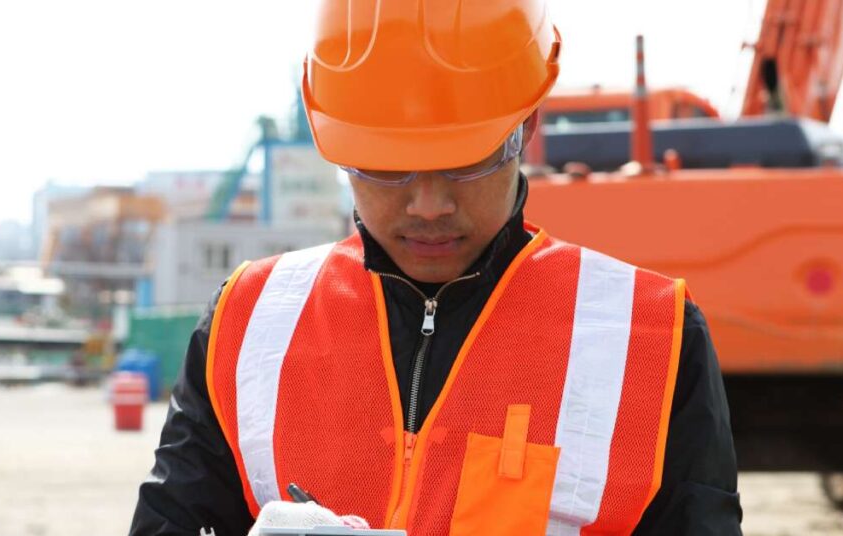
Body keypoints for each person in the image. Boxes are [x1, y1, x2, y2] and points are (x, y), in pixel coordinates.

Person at [130, 1, 742, 534]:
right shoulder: (250, 321)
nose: (428, 206)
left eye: (466, 161)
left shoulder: (651, 337)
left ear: (526, 126)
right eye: (386, 168)